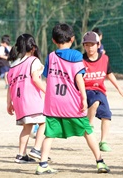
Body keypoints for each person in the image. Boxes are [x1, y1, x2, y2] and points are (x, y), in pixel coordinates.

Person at [36, 23, 110, 175]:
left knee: (49, 134)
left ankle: (42, 164)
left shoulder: (51, 56)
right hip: (70, 103)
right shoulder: (76, 55)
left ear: (53, 40)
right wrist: (83, 97)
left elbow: (46, 77)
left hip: (53, 103)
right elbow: (79, 78)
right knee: (88, 131)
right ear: (72, 39)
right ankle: (100, 162)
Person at [6, 34, 48, 163]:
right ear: (33, 47)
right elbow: (35, 79)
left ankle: (21, 155)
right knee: (45, 122)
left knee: (27, 127)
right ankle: (36, 149)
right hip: (31, 99)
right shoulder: (33, 61)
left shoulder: (13, 65)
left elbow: (10, 87)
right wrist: (48, 92)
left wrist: (9, 103)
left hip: (18, 101)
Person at [82, 31, 123, 153]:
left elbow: (109, 74)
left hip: (100, 91)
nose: (90, 47)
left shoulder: (104, 59)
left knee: (107, 115)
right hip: (86, 90)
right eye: (87, 45)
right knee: (95, 102)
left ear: (98, 44)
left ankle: (103, 141)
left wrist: (119, 88)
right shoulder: (80, 60)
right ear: (84, 46)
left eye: (92, 44)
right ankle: (89, 124)